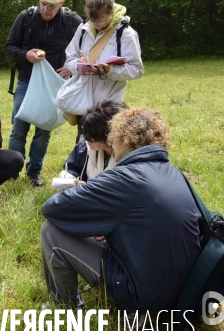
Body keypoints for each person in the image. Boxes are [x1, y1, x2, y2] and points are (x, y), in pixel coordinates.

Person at [41, 107, 201, 312]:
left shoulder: (125, 177)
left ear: (123, 139)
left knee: (50, 232)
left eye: (113, 136)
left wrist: (90, 202)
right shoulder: (174, 173)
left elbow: (53, 208)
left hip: (146, 298)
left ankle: (66, 306)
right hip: (185, 292)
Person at [5, 0, 83, 187]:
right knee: (18, 129)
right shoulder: (26, 18)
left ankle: (34, 172)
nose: (46, 10)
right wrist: (25, 55)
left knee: (43, 130)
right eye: (43, 4)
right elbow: (9, 46)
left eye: (52, 6)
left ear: (62, 3)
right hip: (26, 81)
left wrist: (71, 67)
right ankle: (12, 171)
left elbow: (85, 51)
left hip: (55, 84)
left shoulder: (72, 21)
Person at [64, 0, 144, 141]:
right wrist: (78, 65)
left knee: (107, 144)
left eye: (101, 20)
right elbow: (69, 58)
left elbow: (137, 70)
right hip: (84, 101)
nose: (97, 25)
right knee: (83, 142)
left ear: (112, 12)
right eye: (93, 20)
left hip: (109, 104)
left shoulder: (126, 34)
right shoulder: (83, 30)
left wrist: (110, 70)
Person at [63, 99, 128, 182]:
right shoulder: (84, 146)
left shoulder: (131, 157)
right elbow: (70, 170)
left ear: (111, 137)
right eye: (85, 132)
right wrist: (72, 182)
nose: (85, 138)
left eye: (92, 137)